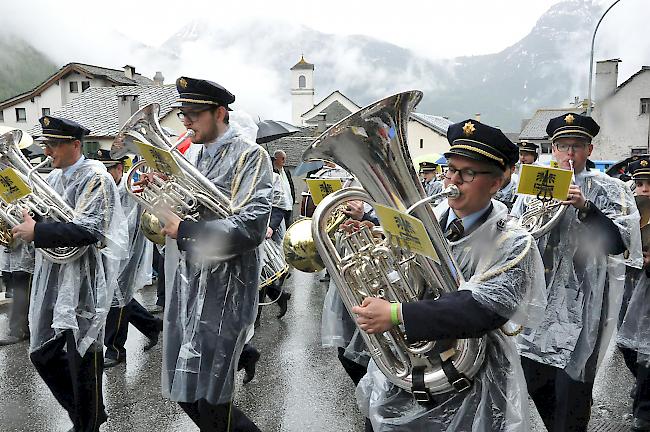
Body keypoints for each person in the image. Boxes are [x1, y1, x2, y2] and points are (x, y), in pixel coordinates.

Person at [354, 119, 546, 431]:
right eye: (450, 169)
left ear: (496, 183)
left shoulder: (513, 240)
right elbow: (397, 277)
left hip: (471, 378)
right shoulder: (424, 220)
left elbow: (485, 309)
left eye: (467, 173)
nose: (452, 181)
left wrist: (396, 313)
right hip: (408, 370)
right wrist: (369, 244)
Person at [154, 76, 271, 432]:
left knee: (212, 398)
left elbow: (251, 226)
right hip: (191, 280)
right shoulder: (195, 157)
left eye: (192, 114)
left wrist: (186, 229)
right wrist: (160, 197)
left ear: (220, 112)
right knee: (185, 387)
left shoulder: (252, 156)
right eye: (182, 114)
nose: (185, 122)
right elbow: (190, 209)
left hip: (228, 290)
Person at [513, 113, 642, 432]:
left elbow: (618, 244)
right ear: (552, 149)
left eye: (577, 146)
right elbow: (515, 233)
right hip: (537, 304)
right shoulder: (534, 182)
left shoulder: (612, 189)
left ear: (590, 149)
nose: (569, 154)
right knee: (529, 383)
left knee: (572, 396)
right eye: (562, 146)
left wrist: (586, 207)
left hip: (583, 309)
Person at [11, 116, 128, 432]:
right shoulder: (54, 178)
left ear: (75, 145)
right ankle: (86, 414)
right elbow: (44, 217)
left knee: (84, 357)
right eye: (46, 144)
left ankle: (86, 424)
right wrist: (24, 221)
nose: (47, 151)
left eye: (53, 145)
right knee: (42, 354)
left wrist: (39, 231)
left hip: (86, 275)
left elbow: (92, 229)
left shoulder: (97, 179)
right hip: (54, 273)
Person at [95, 149, 162, 368]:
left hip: (127, 250)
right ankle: (151, 325)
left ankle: (115, 349)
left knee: (117, 297)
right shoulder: (102, 187)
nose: (104, 173)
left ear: (119, 169)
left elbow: (133, 221)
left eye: (108, 169)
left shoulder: (130, 185)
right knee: (116, 296)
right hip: (107, 249)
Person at [617, 156, 650, 431]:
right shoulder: (625, 210)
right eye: (640, 183)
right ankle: (640, 381)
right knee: (626, 343)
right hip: (627, 283)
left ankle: (644, 408)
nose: (645, 189)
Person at [0, 239, 34, 346]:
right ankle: (21, 328)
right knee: (16, 279)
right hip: (16, 246)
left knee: (22, 279)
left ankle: (19, 330)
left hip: (26, 241)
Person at [272, 149, 295, 228]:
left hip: (289, 204)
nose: (284, 160)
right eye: (282, 158)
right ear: (276, 158)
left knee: (289, 227)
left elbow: (291, 186)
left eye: (285, 158)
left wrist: (293, 200)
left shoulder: (286, 171)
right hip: (279, 207)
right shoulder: (272, 172)